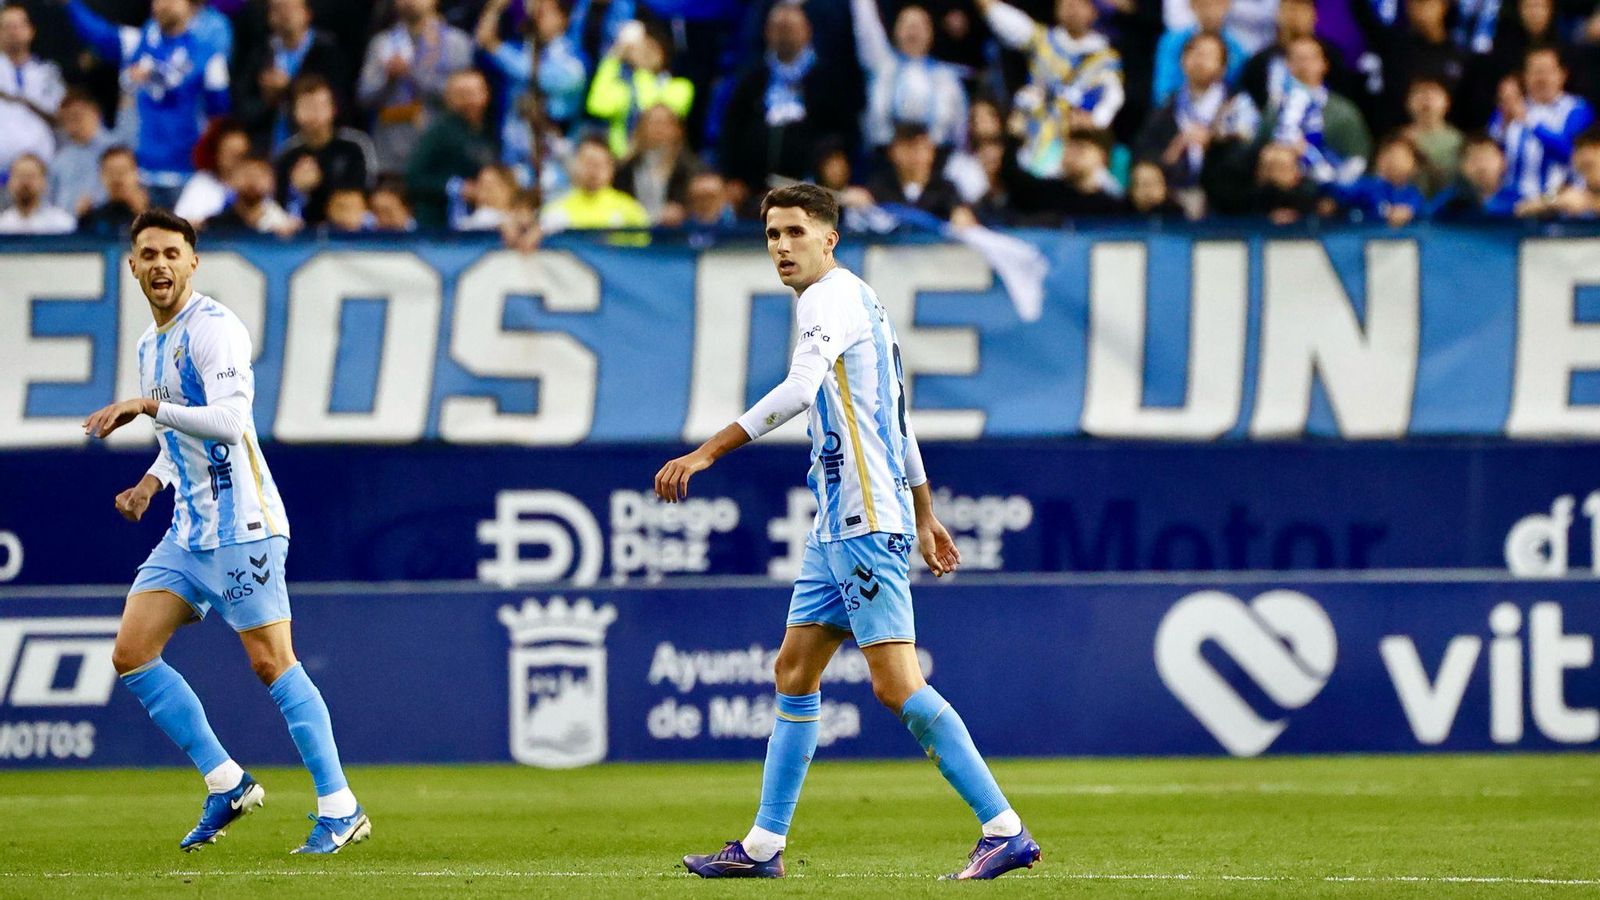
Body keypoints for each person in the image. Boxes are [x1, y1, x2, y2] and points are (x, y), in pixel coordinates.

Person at [657, 183, 1038, 882]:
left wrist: (706, 451)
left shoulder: (828, 298)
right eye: (771, 234)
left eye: (794, 232)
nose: (780, 246)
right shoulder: (862, 303)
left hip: (862, 522)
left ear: (829, 238)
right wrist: (925, 512)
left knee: (895, 685)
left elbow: (802, 390)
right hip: (841, 523)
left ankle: (1003, 827)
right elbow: (896, 420)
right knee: (793, 670)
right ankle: (764, 847)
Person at [80, 209, 369, 856]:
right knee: (131, 652)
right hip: (189, 532)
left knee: (272, 662)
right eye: (148, 254)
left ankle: (340, 807)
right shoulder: (149, 344)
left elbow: (231, 420)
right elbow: (183, 432)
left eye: (171, 253)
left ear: (192, 262)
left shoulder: (214, 330)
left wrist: (147, 405)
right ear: (132, 266)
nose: (159, 264)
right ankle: (226, 781)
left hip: (244, 527)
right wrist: (152, 484)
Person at [63, 0, 231, 209]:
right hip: (140, 175)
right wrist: (70, 3)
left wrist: (155, 73)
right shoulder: (136, 44)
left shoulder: (209, 51)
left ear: (190, 5)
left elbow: (219, 113)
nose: (163, 4)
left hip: (188, 172)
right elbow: (97, 33)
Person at [718, 3, 862, 200]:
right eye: (778, 28)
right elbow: (732, 131)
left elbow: (846, 131)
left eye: (791, 28)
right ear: (767, 32)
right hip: (757, 191)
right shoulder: (751, 80)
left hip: (815, 190)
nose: (784, 35)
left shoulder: (829, 80)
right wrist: (732, 177)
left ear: (807, 31)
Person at [977, 0, 1125, 178]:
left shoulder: (1103, 58)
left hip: (1072, 149)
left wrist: (1096, 120)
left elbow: (1113, 97)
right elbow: (1003, 19)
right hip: (1031, 141)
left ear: (1094, 12)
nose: (1071, 6)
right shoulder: (1042, 40)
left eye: (1080, 3)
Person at [356, 0, 473, 173]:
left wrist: (412, 73)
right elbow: (363, 97)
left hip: (440, 149)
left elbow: (462, 100)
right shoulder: (382, 43)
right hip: (391, 149)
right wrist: (388, 80)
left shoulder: (456, 42)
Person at [850, 0, 968, 149]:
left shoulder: (947, 77)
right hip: (885, 156)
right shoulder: (880, 65)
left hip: (936, 158)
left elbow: (960, 130)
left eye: (919, 25)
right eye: (906, 24)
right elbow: (865, 27)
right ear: (895, 31)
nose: (913, 30)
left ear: (931, 33)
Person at [233, 0, 346, 150]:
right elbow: (242, 107)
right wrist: (268, 100)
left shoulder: (326, 50)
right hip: (269, 147)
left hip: (316, 146)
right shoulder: (260, 54)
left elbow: (341, 99)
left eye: (291, 8)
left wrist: (290, 87)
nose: (285, 14)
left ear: (308, 13)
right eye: (277, 8)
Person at [1490, 48, 1596, 202]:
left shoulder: (1577, 109)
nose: (1542, 78)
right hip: (1513, 202)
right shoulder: (1507, 109)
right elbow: (1490, 152)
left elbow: (1571, 153)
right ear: (1525, 76)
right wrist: (1503, 128)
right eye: (1535, 71)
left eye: (1547, 71)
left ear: (1563, 74)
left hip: (1559, 201)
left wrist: (1530, 122)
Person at [1264, 36, 1371, 184]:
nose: (1304, 64)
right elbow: (1260, 149)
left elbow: (1358, 159)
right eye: (1298, 58)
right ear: (1288, 65)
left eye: (1311, 58)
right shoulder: (1275, 109)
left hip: (1330, 189)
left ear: (1324, 64)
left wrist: (1334, 187)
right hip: (1278, 190)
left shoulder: (1343, 111)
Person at [273, 75, 378, 225]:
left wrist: (320, 183)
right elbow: (279, 203)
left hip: (349, 228)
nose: (314, 113)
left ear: (333, 109)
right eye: (306, 106)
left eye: (320, 106)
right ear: (294, 111)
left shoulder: (355, 145)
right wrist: (296, 191)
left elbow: (365, 190)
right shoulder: (286, 154)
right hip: (302, 233)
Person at [585, 19, 694, 159]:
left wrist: (641, 72)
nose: (645, 53)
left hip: (662, 163)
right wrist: (614, 56)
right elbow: (597, 105)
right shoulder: (625, 87)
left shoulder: (681, 87)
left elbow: (650, 105)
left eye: (651, 47)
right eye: (641, 48)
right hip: (623, 163)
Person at [405, 68, 497, 228]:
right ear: (449, 98)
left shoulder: (489, 131)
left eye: (474, 93)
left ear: (486, 95)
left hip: (478, 221)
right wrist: (456, 187)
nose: (470, 101)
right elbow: (414, 178)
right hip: (438, 224)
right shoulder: (439, 133)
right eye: (462, 95)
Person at [0, 3, 64, 173]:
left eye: (19, 26)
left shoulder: (48, 72)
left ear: (30, 31)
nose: (13, 31)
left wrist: (23, 100)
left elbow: (59, 116)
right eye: (7, 27)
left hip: (40, 166)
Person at [539, 133, 648, 230]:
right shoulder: (554, 211)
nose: (593, 171)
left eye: (599, 165)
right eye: (588, 163)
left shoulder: (631, 212)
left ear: (611, 169)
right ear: (576, 165)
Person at [614, 103, 699, 225]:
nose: (659, 129)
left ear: (677, 130)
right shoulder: (625, 168)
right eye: (653, 123)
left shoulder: (689, 167)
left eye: (665, 124)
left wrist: (681, 210)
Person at [1150, 0, 1247, 107]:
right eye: (1205, 5)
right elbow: (1163, 89)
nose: (1211, 12)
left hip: (1220, 115)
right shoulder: (1173, 42)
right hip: (1177, 113)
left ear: (1228, 5)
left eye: (1218, 4)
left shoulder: (1237, 50)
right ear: (1192, 5)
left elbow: (1237, 92)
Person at [864, 121, 963, 218]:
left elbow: (960, 216)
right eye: (906, 147)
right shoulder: (878, 186)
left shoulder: (946, 189)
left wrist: (960, 216)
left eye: (919, 148)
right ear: (891, 152)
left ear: (932, 152)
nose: (913, 155)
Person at [1329, 133, 1428, 226]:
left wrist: (1405, 212)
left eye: (1400, 156)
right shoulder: (1367, 186)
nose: (1393, 161)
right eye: (1388, 154)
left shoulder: (1413, 194)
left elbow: (1417, 210)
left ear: (1414, 165)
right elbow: (1345, 192)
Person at [51, 88, 118, 216]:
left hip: (105, 221)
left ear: (95, 113)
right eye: (66, 119)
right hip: (64, 226)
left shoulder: (117, 150)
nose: (72, 124)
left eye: (77, 116)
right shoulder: (60, 158)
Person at [174, 119, 251, 225]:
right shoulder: (201, 183)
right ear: (216, 152)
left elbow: (272, 221)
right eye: (230, 153)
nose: (236, 160)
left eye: (241, 155)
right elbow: (178, 224)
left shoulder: (252, 188)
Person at [1429, 132, 1521, 219]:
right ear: (1462, 167)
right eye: (1474, 159)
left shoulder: (1518, 200)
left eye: (1487, 158)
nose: (1481, 166)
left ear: (1503, 162)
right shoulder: (1448, 201)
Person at [205, 155, 301, 236]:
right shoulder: (215, 225)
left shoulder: (283, 226)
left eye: (259, 175)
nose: (252, 181)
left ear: (272, 182)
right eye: (247, 174)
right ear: (232, 179)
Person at [1406, 77, 1463, 196]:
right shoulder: (1399, 141)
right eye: (1420, 94)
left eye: (1433, 95)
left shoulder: (1459, 141)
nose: (1426, 101)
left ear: (1447, 101)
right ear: (1408, 102)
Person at [78, 146, 150, 236]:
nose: (117, 178)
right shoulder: (92, 218)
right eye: (111, 171)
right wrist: (81, 219)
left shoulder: (156, 213)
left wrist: (142, 212)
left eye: (122, 171)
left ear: (136, 173)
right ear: (101, 176)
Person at [0, 152, 75, 233]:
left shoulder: (62, 225)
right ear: (9, 183)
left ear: (44, 182)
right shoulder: (3, 225)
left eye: (31, 176)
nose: (25, 182)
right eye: (20, 176)